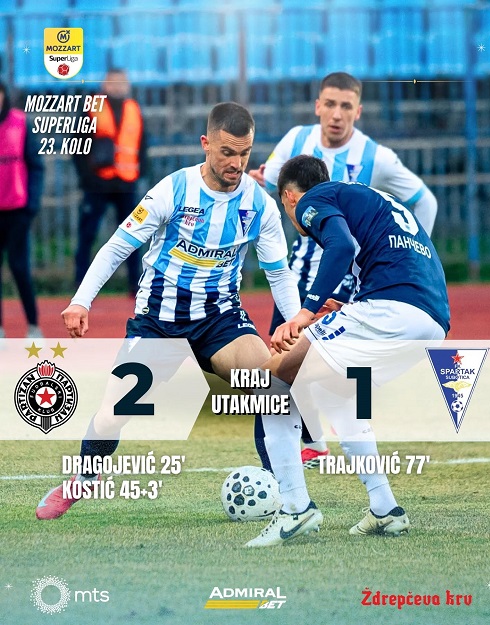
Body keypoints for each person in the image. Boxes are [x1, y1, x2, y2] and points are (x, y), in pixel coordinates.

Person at [36, 102, 301, 520]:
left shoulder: (259, 206)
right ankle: (85, 478)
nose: (236, 164)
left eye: (244, 153)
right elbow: (118, 246)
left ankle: (286, 492)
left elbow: (279, 274)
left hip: (219, 320)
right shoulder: (172, 191)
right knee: (113, 415)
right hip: (158, 323)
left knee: (271, 388)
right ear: (205, 144)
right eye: (226, 152)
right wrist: (81, 300)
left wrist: (297, 323)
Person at [245, 155, 450, 547]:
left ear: (289, 197)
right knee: (337, 393)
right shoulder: (368, 197)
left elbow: (339, 246)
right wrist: (349, 305)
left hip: (390, 310)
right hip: (431, 320)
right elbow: (388, 257)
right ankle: (385, 508)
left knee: (269, 382)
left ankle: (295, 508)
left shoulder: (312, 199)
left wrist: (304, 313)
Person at [249, 72, 439, 467]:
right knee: (287, 366)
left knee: (321, 375)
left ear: (358, 111)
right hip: (299, 275)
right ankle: (314, 444)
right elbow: (270, 186)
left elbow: (426, 202)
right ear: (318, 106)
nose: (337, 114)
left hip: (351, 280)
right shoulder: (295, 141)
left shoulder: (376, 156)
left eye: (346, 106)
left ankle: (324, 454)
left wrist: (406, 260)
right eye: (331, 104)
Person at [73, 68, 147, 296]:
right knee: (87, 235)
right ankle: (81, 286)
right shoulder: (91, 108)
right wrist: (88, 178)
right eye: (113, 83)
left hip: (126, 183)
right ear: (104, 85)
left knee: (133, 236)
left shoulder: (134, 109)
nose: (117, 87)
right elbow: (78, 145)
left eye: (121, 83)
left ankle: (136, 285)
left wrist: (140, 174)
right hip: (98, 184)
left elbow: (143, 145)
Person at [0, 81, 44, 339]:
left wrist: (32, 204)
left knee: (19, 268)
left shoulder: (20, 123)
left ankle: (33, 326)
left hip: (17, 209)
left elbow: (36, 165)